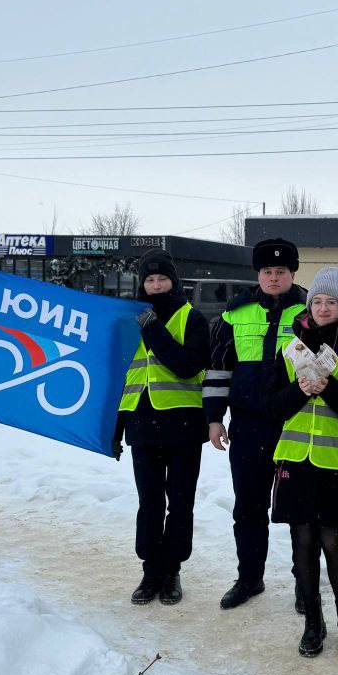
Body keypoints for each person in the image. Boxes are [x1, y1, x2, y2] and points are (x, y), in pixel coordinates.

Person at [268, 268, 338, 659]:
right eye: (317, 301)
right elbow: (274, 406)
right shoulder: (290, 349)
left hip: (336, 461)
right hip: (295, 458)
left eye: (332, 302)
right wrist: (299, 389)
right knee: (303, 542)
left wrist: (328, 389)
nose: (324, 307)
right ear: (308, 306)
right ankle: (313, 623)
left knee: (333, 541)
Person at [203, 238, 308, 610]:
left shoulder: (311, 310)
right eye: (267, 271)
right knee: (247, 507)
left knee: (299, 511)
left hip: (295, 426)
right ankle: (250, 577)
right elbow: (218, 368)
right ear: (258, 274)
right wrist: (214, 418)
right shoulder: (235, 313)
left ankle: (304, 585)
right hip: (247, 427)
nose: (274, 277)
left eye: (281, 271)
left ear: (293, 273)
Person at [115, 248, 210, 607]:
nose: (155, 285)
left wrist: (153, 328)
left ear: (174, 281)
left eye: (162, 278)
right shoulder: (129, 318)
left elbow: (187, 367)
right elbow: (121, 375)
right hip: (141, 423)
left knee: (180, 503)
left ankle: (172, 570)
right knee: (149, 502)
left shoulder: (193, 319)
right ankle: (150, 568)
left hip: (183, 425)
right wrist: (115, 426)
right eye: (149, 279)